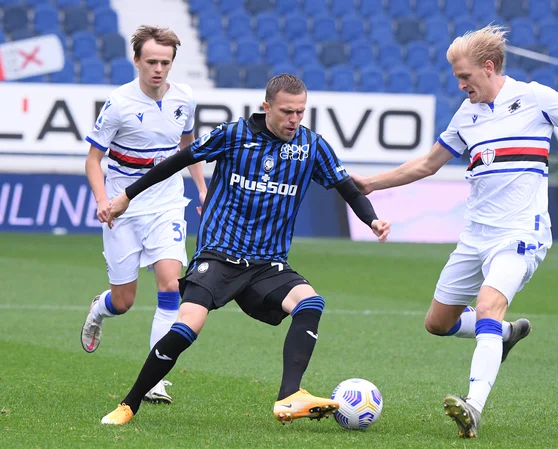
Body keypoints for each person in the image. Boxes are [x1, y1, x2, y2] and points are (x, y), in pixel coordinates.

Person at [351, 25, 558, 439]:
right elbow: (426, 165)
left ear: (488, 67)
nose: (460, 83)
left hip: (522, 232)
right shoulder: (465, 115)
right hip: (476, 236)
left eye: (464, 76)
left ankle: (474, 406)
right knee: (438, 322)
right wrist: (371, 184)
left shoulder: (536, 98)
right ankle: (504, 336)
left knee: (488, 306)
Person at [97, 74, 391, 425]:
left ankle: (289, 396)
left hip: (267, 264)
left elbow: (348, 188)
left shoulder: (311, 146)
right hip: (219, 255)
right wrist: (127, 196)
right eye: (286, 112)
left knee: (310, 302)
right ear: (266, 107)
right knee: (189, 324)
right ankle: (128, 405)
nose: (294, 120)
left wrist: (371, 220)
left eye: (300, 112)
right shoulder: (233, 135)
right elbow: (175, 162)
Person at [81, 25, 207, 404]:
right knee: (124, 301)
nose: (158, 69)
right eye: (151, 61)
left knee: (171, 285)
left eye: (165, 62)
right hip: (123, 207)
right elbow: (93, 160)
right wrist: (104, 200)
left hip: (167, 201)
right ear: (136, 61)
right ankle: (98, 311)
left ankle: (155, 378)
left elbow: (188, 148)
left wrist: (202, 188)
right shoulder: (119, 103)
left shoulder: (184, 98)